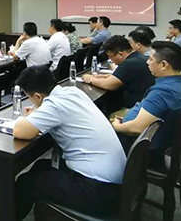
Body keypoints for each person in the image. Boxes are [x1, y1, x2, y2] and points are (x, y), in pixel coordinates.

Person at [13, 66, 126, 220]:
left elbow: (20, 131)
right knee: (40, 166)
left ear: (38, 96)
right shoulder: (73, 92)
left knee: (27, 182)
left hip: (98, 189)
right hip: (114, 180)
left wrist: (26, 117)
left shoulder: (54, 105)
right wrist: (39, 113)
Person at [112, 41, 181, 171]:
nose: (147, 62)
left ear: (164, 65)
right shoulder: (180, 83)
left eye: (150, 59)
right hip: (159, 137)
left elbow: (137, 128)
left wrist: (117, 127)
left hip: (141, 146)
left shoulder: (162, 93)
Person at [82, 35, 155, 117]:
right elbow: (126, 77)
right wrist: (108, 76)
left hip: (136, 109)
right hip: (146, 106)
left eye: (110, 57)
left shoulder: (129, 63)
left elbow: (108, 85)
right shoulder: (139, 57)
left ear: (120, 54)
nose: (111, 60)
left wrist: (90, 79)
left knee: (105, 114)